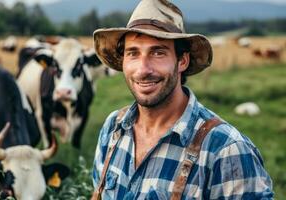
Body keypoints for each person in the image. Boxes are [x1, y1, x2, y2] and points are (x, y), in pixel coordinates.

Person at [91, 0, 273, 199]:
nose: (143, 69)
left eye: (158, 52)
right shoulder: (113, 128)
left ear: (182, 61)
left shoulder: (226, 150)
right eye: (133, 53)